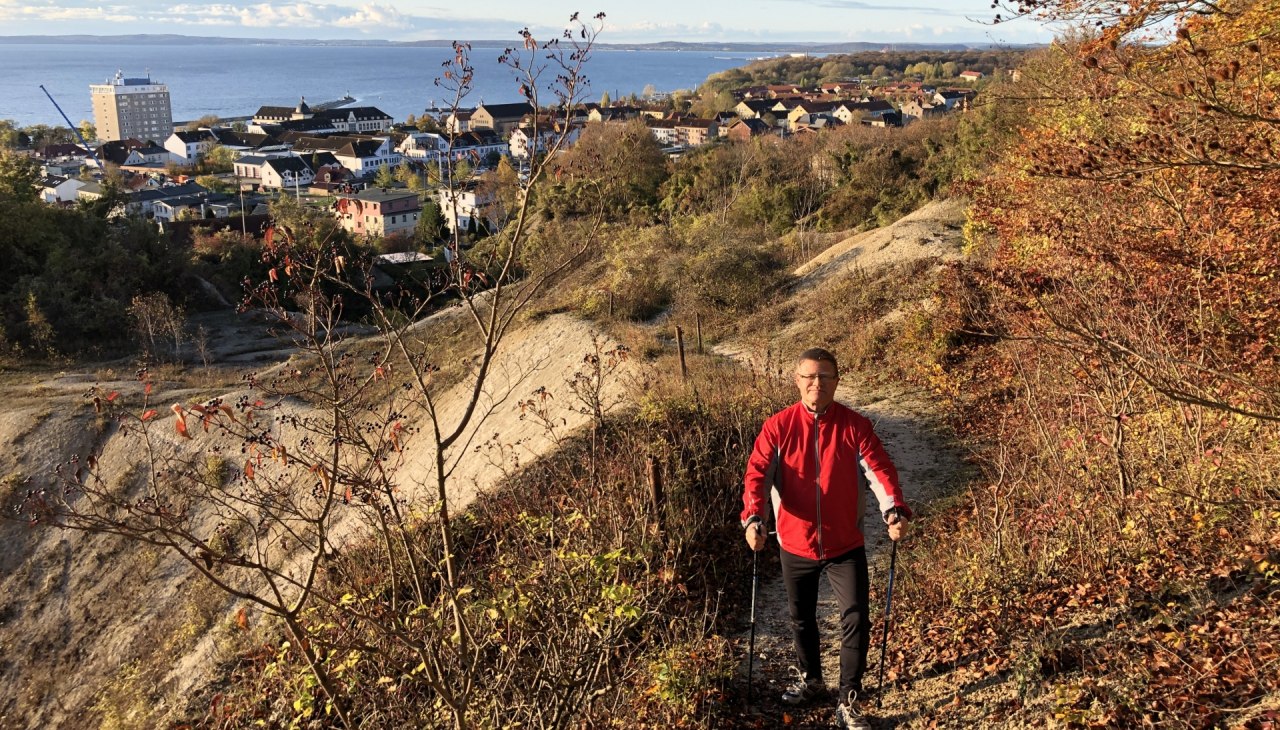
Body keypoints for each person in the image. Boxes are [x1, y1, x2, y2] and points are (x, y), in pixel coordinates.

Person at [741, 347, 910, 730]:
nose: (817, 383)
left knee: (856, 618)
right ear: (797, 380)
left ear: (836, 380)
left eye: (825, 376)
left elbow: (880, 470)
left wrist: (894, 509)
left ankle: (849, 698)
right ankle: (811, 679)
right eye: (809, 376)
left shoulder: (856, 426)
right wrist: (754, 519)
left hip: (844, 543)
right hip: (794, 542)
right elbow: (757, 476)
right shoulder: (778, 427)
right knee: (802, 618)